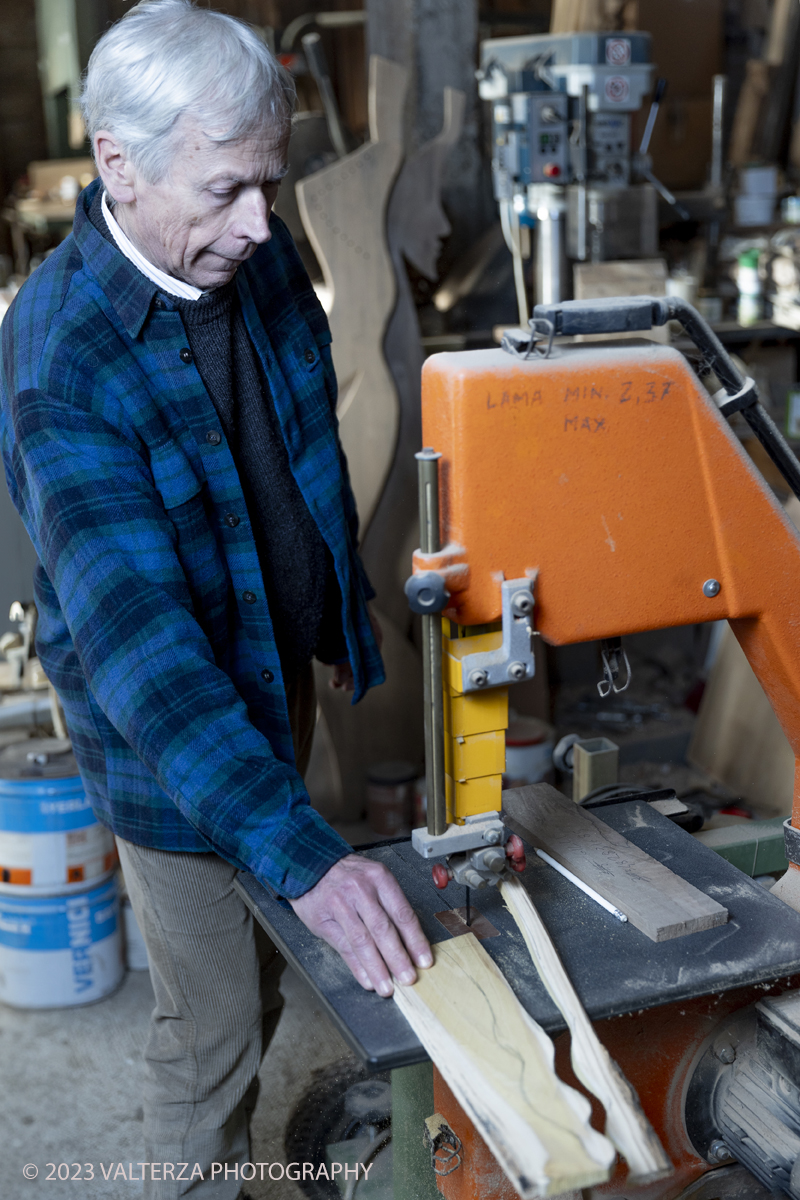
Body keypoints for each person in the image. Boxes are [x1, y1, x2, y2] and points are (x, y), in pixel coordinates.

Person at [0, 2, 431, 1196]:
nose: (259, 224)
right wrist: (309, 857)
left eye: (270, 185)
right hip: (169, 738)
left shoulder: (247, 240)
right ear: (116, 162)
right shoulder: (64, 355)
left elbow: (303, 447)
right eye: (227, 189)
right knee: (214, 1035)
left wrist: (335, 609)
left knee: (273, 957)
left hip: (269, 668)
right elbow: (148, 661)